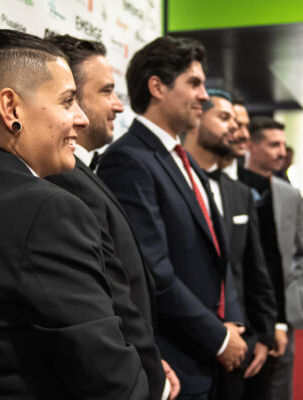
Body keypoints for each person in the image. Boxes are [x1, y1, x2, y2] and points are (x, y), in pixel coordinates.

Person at [0, 16, 149, 399]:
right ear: (11, 108)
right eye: (68, 100)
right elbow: (110, 380)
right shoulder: (48, 211)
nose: (81, 118)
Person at [97, 36, 247, 400]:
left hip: (209, 350)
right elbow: (153, 273)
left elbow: (215, 251)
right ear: (157, 86)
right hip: (177, 360)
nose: (204, 95)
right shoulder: (128, 160)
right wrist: (219, 337)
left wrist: (233, 324)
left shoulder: (182, 157)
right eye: (193, 83)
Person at [44, 34, 179, 400]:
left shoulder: (82, 173)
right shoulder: (61, 184)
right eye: (106, 91)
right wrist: (151, 376)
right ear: (69, 97)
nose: (119, 106)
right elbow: (108, 303)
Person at [183, 90, 277, 399]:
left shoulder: (239, 193)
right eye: (226, 119)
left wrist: (264, 334)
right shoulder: (173, 186)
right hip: (187, 343)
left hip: (242, 339)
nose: (238, 131)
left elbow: (255, 268)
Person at [238, 116, 303, 400]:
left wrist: (297, 288)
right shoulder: (230, 188)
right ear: (251, 146)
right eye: (273, 145)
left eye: (283, 144)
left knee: (279, 387)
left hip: (282, 312)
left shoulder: (289, 195)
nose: (282, 152)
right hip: (242, 314)